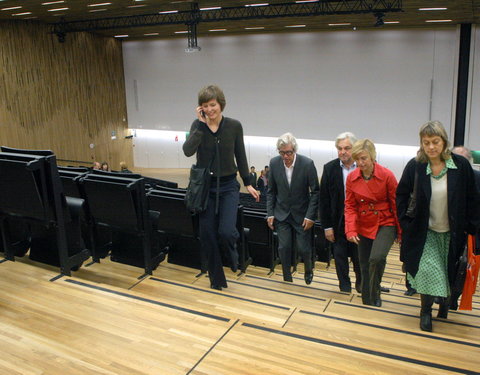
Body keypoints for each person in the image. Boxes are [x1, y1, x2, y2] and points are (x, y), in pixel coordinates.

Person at [397, 121, 480, 332]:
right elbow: (401, 194)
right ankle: (425, 311)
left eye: (435, 142)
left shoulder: (460, 166)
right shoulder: (415, 166)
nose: (431, 147)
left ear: (444, 142)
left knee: (447, 271)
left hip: (453, 233)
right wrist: (405, 223)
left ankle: (443, 305)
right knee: (428, 270)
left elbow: (472, 198)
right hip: (425, 233)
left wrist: (473, 228)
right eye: (426, 143)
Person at [183, 85, 259, 291]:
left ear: (221, 104)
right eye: (205, 106)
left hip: (228, 187)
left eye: (213, 104)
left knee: (226, 232)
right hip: (205, 189)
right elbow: (187, 151)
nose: (210, 109)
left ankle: (234, 256)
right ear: (200, 109)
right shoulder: (197, 126)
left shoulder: (234, 126)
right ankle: (217, 280)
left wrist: (248, 182)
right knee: (207, 235)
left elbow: (240, 155)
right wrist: (200, 126)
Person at [345, 139, 400, 307]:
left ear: (372, 157)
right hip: (363, 222)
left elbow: (396, 204)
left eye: (364, 158)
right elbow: (350, 205)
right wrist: (351, 230)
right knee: (364, 262)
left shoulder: (387, 175)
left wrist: (401, 232)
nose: (360, 163)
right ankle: (368, 296)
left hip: (385, 221)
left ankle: (375, 291)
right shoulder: (352, 177)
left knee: (376, 258)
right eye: (357, 159)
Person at [266, 133, 319, 284]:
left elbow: (315, 192)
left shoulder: (307, 164)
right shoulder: (274, 163)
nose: (285, 156)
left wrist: (310, 216)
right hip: (281, 214)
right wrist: (270, 213)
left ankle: (308, 269)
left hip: (302, 215)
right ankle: (286, 278)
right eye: (282, 153)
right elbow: (271, 192)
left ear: (294, 150)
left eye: (288, 152)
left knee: (303, 248)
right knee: (283, 247)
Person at [320, 132, 362, 293]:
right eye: (339, 148)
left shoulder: (363, 166)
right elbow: (324, 200)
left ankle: (361, 283)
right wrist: (327, 227)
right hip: (338, 222)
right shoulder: (329, 168)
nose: (342, 152)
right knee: (339, 256)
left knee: (359, 256)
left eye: (347, 148)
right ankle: (344, 286)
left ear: (355, 149)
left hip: (359, 222)